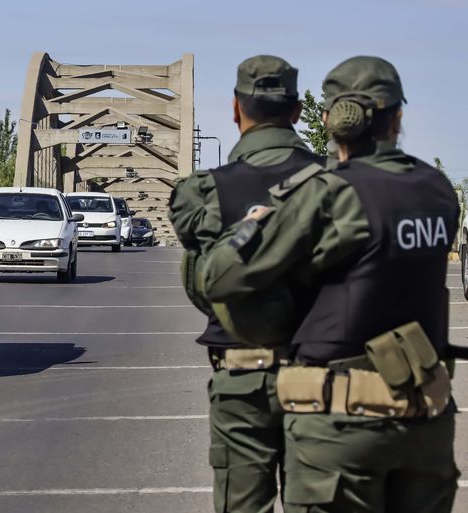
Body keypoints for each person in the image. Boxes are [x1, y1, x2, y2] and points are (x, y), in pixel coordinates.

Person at [195, 56, 459, 513]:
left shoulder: (327, 192)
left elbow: (220, 276)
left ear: (330, 120)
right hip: (426, 421)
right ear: (397, 117)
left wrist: (254, 223)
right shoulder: (436, 189)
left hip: (341, 426)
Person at [169, 55, 324, 513]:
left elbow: (197, 263)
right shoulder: (337, 182)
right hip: (323, 377)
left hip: (243, 376)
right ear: (297, 112)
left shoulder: (205, 190)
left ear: (235, 109)